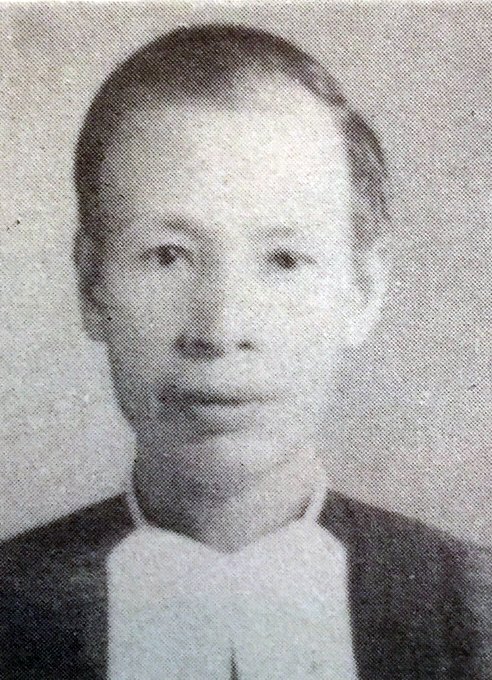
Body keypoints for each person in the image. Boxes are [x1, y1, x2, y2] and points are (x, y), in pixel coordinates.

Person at [0, 23, 490, 680]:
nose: (221, 329)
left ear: (362, 291)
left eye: (284, 260)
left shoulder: (473, 610)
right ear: (93, 286)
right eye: (168, 255)